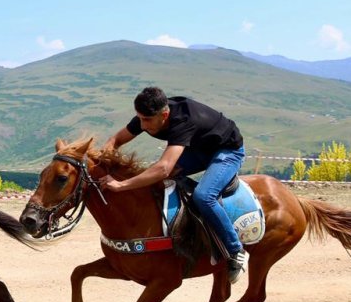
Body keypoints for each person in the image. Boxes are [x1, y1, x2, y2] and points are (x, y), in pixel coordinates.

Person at [99, 86, 249, 282]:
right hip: (198, 148)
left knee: (204, 196)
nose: (142, 125)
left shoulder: (183, 120)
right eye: (140, 118)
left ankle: (235, 250)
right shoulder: (147, 114)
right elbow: (115, 140)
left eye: (147, 120)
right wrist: (103, 159)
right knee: (152, 180)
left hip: (226, 151)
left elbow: (164, 168)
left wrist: (122, 185)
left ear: (164, 115)